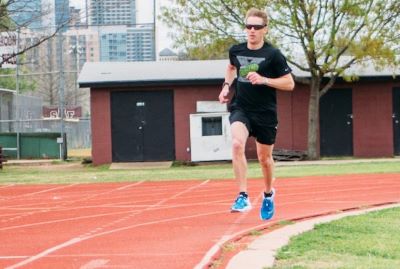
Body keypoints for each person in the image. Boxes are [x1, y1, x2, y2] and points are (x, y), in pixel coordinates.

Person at [218, 8, 295, 220]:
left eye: (257, 27)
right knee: (236, 144)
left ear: (265, 30)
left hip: (265, 113)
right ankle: (242, 195)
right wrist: (226, 86)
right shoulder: (236, 50)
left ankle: (269, 194)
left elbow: (290, 84)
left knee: (264, 158)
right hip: (241, 108)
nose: (251, 30)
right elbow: (231, 67)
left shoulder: (273, 55)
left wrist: (264, 80)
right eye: (248, 26)